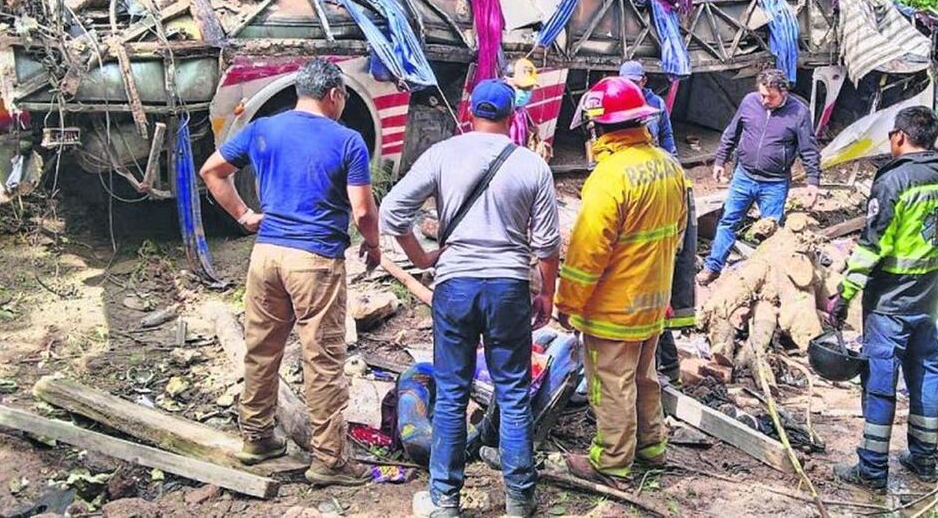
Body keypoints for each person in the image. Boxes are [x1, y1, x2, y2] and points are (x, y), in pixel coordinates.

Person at [379, 78, 561, 518]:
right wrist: (547, 296)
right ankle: (519, 500)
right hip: (508, 287)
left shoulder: (443, 154)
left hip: (455, 286)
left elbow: (391, 212)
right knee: (514, 393)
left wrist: (422, 256)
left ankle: (444, 501)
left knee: (453, 392)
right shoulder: (532, 165)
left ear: (470, 114)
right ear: (512, 117)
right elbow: (548, 246)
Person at [199, 58, 380, 486]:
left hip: (266, 256)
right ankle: (329, 460)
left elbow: (212, 171)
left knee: (262, 349)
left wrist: (244, 215)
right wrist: (372, 245)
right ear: (334, 95)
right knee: (323, 358)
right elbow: (362, 210)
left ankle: (257, 436)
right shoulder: (348, 140)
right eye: (344, 98)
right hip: (315, 260)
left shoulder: (264, 129)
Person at [556, 76, 688, 491]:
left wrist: (568, 302)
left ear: (599, 126)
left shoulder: (610, 176)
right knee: (646, 378)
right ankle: (652, 448)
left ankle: (612, 463)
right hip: (653, 301)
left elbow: (586, 252)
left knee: (611, 384)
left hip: (614, 306)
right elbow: (679, 234)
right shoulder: (668, 165)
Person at [830, 106, 938, 490]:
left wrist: (845, 294)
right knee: (925, 375)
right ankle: (924, 458)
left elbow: (873, 245)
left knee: (880, 381)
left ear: (899, 137)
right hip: (929, 295)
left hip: (891, 299)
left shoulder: (893, 181)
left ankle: (871, 469)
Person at [697, 69, 821, 286]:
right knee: (728, 222)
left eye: (770, 97)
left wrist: (813, 181)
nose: (765, 100)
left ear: (784, 92)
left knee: (771, 231)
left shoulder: (799, 112)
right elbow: (731, 133)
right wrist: (720, 160)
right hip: (743, 176)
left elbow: (809, 148)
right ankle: (712, 267)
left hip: (774, 183)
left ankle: (768, 278)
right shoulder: (750, 102)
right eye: (762, 95)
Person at [618, 60, 697, 384]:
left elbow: (668, 142)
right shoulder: (630, 175)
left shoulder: (655, 107)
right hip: (655, 251)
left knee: (654, 306)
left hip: (650, 254)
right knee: (655, 305)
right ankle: (662, 368)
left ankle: (663, 367)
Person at [618, 60, 677, 156]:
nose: (631, 87)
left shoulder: (657, 103)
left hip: (651, 155)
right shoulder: (614, 103)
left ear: (644, 81)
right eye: (626, 83)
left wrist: (672, 157)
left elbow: (665, 134)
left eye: (635, 83)